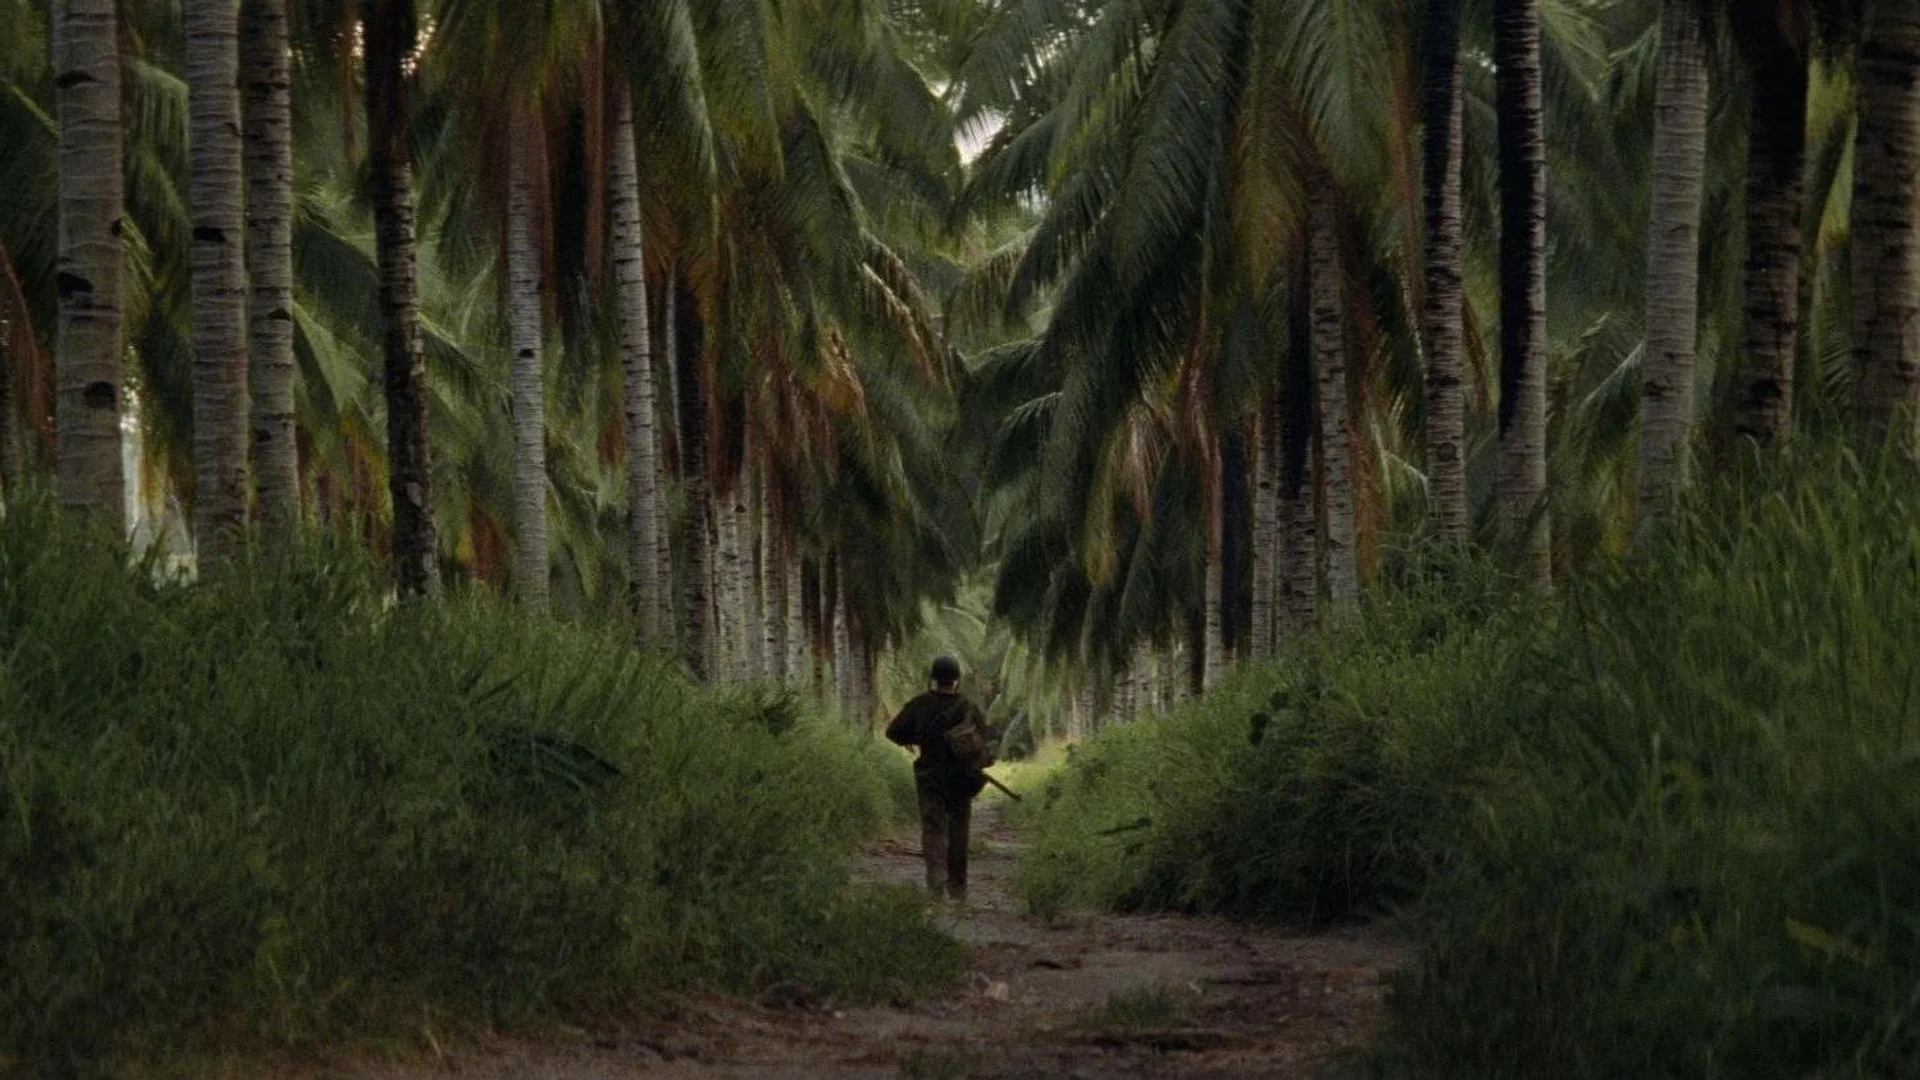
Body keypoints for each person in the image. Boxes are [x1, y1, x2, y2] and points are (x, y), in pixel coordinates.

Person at [884, 655, 993, 901]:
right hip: (962, 778)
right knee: (959, 831)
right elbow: (983, 738)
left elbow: (893, 732)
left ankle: (936, 881)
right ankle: (958, 888)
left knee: (933, 829)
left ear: (933, 677)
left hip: (930, 775)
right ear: (956, 679)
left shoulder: (920, 704)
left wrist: (915, 739)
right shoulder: (968, 706)